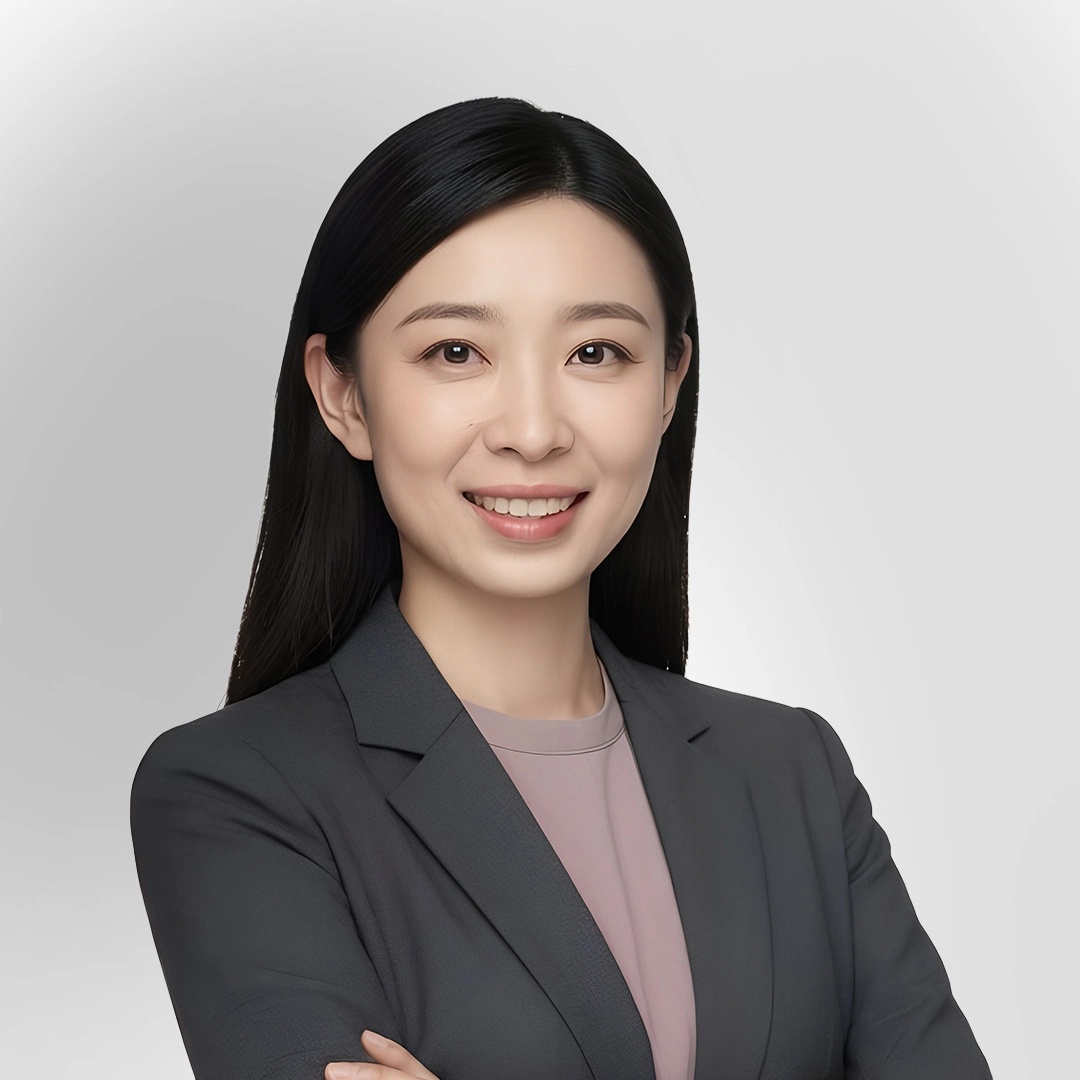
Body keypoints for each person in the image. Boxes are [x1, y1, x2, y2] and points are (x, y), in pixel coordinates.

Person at [130, 97, 993, 1080]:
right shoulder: (236, 793)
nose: (533, 430)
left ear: (669, 384)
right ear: (344, 395)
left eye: (597, 353)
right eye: (456, 352)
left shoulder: (793, 772)